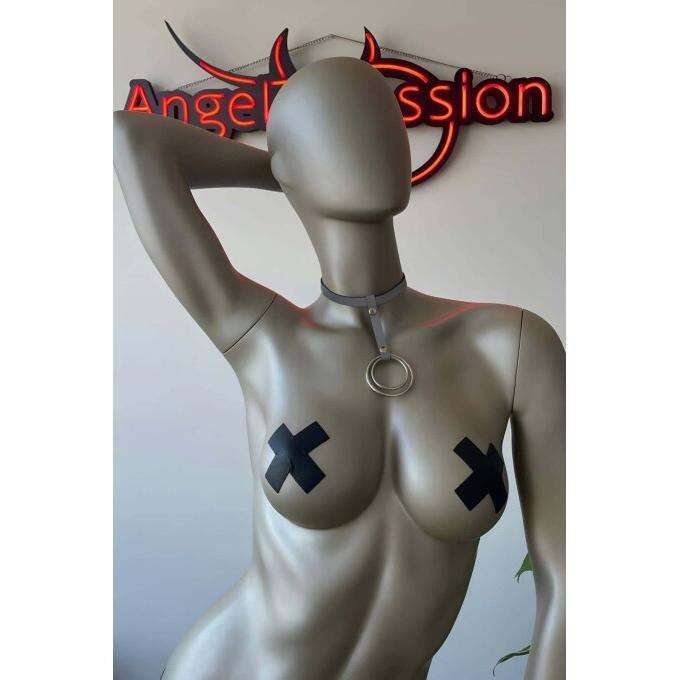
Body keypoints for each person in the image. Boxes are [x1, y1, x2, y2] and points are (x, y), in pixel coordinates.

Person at [114, 56, 565, 680]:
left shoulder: (510, 346)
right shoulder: (263, 338)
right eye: (333, 130)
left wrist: (303, 167)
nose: (371, 139)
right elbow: (133, 139)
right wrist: (285, 170)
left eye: (384, 119)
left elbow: (567, 572)